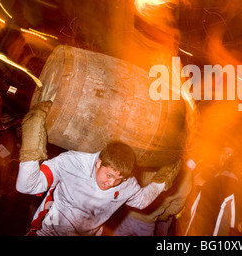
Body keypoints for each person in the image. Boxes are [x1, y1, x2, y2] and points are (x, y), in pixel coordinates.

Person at [16, 101, 180, 236]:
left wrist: (162, 181)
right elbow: (27, 185)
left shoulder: (127, 182)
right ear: (98, 162)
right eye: (109, 175)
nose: (111, 183)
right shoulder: (71, 163)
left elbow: (141, 200)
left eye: (119, 179)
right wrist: (31, 142)